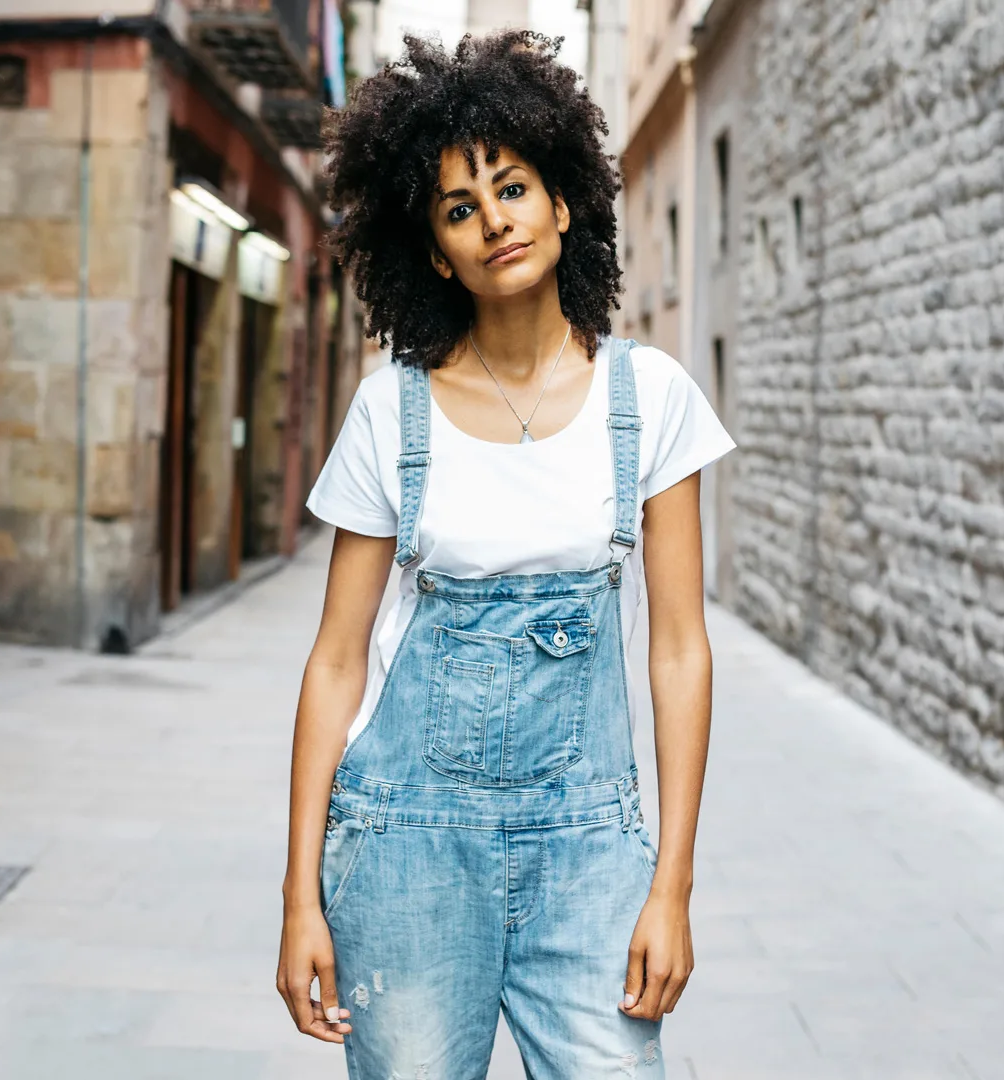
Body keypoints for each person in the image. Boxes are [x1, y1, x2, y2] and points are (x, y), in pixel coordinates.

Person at [275, 29, 734, 1077]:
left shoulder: (650, 400)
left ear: (562, 204)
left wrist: (672, 886)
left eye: (512, 188)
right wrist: (299, 896)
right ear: (437, 252)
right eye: (458, 208)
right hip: (406, 854)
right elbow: (336, 662)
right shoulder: (393, 413)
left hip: (591, 859)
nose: (493, 222)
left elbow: (679, 652)